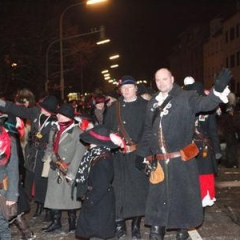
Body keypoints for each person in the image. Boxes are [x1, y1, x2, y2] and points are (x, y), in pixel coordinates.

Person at [136, 67, 232, 240]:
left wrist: (217, 89)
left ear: (172, 79)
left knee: (183, 200)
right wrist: (141, 153)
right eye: (158, 80)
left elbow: (206, 104)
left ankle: (182, 231)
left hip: (180, 161)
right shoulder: (153, 103)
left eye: (164, 79)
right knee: (157, 203)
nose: (161, 83)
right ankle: (156, 232)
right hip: (159, 163)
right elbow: (148, 131)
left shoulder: (186, 97)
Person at [0, 95, 59, 221]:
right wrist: (2, 103)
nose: (40, 109)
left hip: (46, 154)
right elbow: (16, 109)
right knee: (32, 180)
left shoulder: (56, 119)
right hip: (33, 152)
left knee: (44, 181)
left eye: (44, 108)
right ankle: (39, 205)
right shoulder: (36, 112)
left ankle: (48, 208)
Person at [104, 75, 149, 240]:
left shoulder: (145, 106)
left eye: (129, 87)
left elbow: (149, 132)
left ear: (136, 88)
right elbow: (106, 129)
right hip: (118, 157)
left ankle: (136, 227)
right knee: (117, 191)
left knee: (138, 192)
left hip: (137, 155)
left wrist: (143, 154)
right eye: (123, 88)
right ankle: (120, 226)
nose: (126, 91)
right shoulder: (115, 107)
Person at [42, 103, 85, 233]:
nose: (59, 116)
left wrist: (71, 172)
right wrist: (47, 157)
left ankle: (73, 222)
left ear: (69, 117)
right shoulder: (54, 129)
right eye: (59, 114)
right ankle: (56, 222)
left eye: (62, 115)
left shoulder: (78, 132)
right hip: (55, 167)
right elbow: (50, 145)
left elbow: (79, 154)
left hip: (68, 168)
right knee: (53, 195)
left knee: (70, 197)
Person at [75, 125, 120, 240]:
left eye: (91, 142)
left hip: (99, 201)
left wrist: (90, 201)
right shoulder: (95, 156)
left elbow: (101, 185)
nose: (89, 145)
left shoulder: (103, 160)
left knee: (97, 231)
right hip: (97, 199)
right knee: (92, 231)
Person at [183, 78, 222, 207]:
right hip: (188, 147)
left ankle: (203, 202)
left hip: (204, 150)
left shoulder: (208, 110)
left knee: (204, 177)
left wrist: (217, 150)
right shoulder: (185, 107)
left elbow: (212, 130)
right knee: (189, 177)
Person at [0, 124, 19, 239]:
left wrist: (12, 197)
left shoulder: (8, 140)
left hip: (1, 193)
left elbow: (12, 170)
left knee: (2, 227)